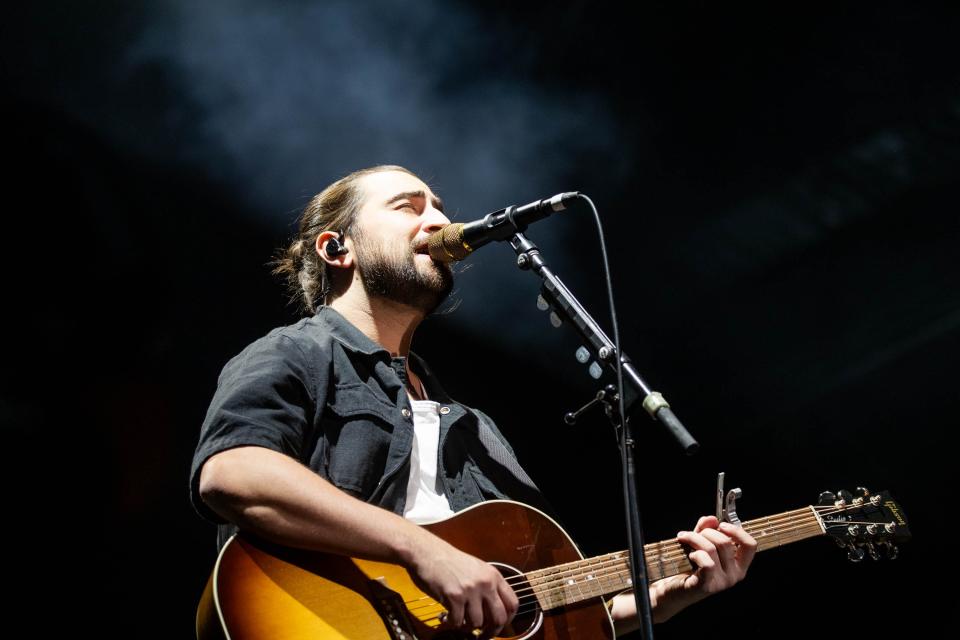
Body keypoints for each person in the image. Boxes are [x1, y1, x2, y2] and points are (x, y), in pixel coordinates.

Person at [190, 165, 756, 638]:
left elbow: (544, 603)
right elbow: (234, 472)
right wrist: (422, 550)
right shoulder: (296, 354)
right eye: (408, 207)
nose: (439, 221)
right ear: (337, 248)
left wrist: (676, 594)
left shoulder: (475, 431)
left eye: (437, 206)